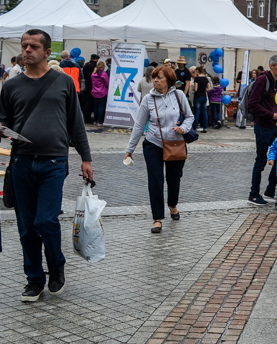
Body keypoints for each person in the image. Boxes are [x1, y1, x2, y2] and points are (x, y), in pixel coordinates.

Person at [0, 29, 93, 302]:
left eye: (33, 47)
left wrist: (86, 158)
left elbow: (76, 123)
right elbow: (4, 120)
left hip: (53, 162)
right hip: (22, 162)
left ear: (47, 53)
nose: (27, 50)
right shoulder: (12, 85)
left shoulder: (63, 82)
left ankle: (56, 267)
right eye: (24, 46)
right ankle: (34, 279)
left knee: (46, 219)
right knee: (26, 226)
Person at [124, 65, 193, 233]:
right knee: (155, 181)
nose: (155, 80)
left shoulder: (179, 95)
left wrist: (183, 129)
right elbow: (139, 125)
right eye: (154, 77)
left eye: (159, 77)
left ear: (168, 80)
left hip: (175, 144)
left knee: (174, 179)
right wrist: (130, 149)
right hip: (153, 144)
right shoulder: (148, 99)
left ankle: (172, 205)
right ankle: (157, 218)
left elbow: (190, 117)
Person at [248, 57, 277, 204]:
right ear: (272, 66)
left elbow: (273, 103)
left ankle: (271, 189)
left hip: (272, 126)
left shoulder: (276, 81)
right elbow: (253, 104)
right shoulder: (263, 80)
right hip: (262, 126)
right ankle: (253, 194)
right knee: (261, 159)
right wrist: (271, 115)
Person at [90, 61, 109, 125]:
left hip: (94, 92)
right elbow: (107, 83)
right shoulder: (104, 74)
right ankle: (99, 121)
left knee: (95, 107)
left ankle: (95, 121)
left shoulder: (93, 74)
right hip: (102, 92)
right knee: (101, 107)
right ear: (103, 66)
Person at [192, 66, 211, 133]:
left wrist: (195, 89)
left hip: (197, 97)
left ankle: (194, 128)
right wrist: (203, 89)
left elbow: (195, 89)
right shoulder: (206, 79)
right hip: (204, 96)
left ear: (197, 71)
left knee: (196, 113)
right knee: (204, 112)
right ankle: (205, 127)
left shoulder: (197, 79)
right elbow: (209, 88)